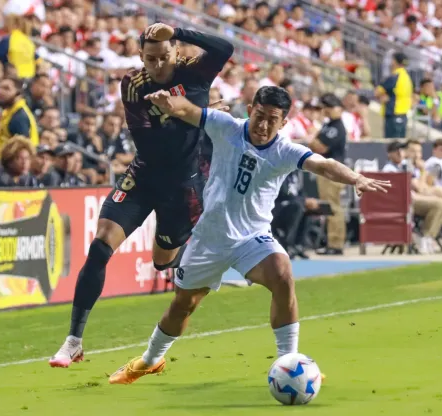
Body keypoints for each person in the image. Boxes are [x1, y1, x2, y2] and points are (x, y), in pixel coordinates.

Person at [107, 86, 390, 384]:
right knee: (183, 305)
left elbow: (324, 165)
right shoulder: (226, 126)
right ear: (250, 108)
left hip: (252, 238)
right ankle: (150, 360)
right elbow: (188, 110)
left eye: (272, 119)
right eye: (259, 115)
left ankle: (288, 362)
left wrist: (355, 177)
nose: (264, 124)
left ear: (283, 123)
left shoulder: (285, 150)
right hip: (209, 238)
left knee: (282, 274)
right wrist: (168, 103)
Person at [49, 23, 235, 368]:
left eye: (165, 57)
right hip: (144, 176)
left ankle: (196, 270)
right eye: (151, 59)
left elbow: (225, 47)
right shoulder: (132, 84)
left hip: (183, 188)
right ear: (140, 57)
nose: (158, 65)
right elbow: (150, 144)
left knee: (163, 262)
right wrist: (193, 115)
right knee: (101, 243)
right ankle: (73, 341)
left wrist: (178, 30)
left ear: (176, 53)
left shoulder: (195, 74)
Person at [383, 141, 442, 254]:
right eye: (396, 151)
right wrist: (423, 170)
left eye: (402, 150)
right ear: (390, 154)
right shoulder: (389, 168)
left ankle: (427, 237)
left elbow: (420, 186)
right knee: (440, 204)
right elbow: (418, 187)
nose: (400, 153)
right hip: (401, 203)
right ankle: (426, 237)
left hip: (411, 199)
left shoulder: (405, 165)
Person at [308, 93, 347, 255]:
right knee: (328, 206)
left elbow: (320, 147)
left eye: (331, 107)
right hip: (325, 170)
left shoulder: (336, 127)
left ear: (339, 109)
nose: (328, 110)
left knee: (333, 207)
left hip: (333, 171)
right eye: (326, 107)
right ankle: (331, 242)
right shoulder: (328, 124)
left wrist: (312, 138)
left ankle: (336, 244)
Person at [0, 77, 39, 157]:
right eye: (0, 88)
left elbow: (21, 150)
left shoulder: (19, 117)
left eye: (6, 88)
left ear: (19, 93)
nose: (1, 92)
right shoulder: (10, 113)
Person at [376, 52, 413, 138]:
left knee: (391, 144)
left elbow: (377, 92)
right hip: (403, 114)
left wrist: (382, 96)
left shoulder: (395, 77)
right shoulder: (407, 77)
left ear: (395, 62)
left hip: (393, 113)